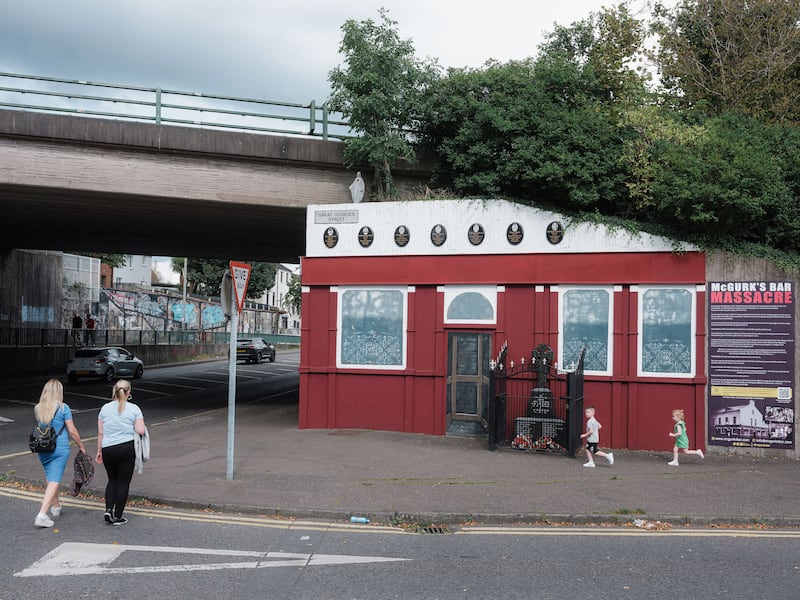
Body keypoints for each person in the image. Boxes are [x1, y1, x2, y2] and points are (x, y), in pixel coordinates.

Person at [33, 379, 86, 528]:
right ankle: (42, 514)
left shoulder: (38, 408)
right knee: (54, 479)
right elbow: (72, 431)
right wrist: (81, 445)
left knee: (51, 478)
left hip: (43, 448)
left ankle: (56, 507)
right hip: (59, 448)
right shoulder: (63, 408)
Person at [96, 379, 146, 525]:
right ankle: (118, 516)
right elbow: (140, 430)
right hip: (126, 448)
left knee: (112, 480)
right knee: (123, 482)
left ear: (115, 391)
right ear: (129, 392)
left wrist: (99, 451)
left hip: (107, 448)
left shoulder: (104, 408)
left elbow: (100, 433)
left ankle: (108, 509)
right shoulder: (134, 409)